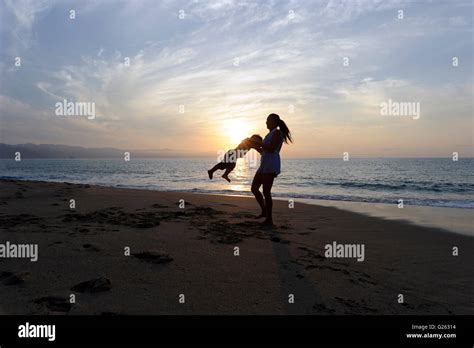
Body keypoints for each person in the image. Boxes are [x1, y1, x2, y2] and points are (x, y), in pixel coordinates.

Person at [248, 113, 292, 226]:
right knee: (254, 188)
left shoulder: (277, 133)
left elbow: (271, 149)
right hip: (264, 163)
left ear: (275, 122)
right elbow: (264, 151)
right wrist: (254, 146)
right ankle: (264, 212)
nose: (266, 122)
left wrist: (257, 142)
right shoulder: (269, 134)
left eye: (268, 120)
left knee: (266, 192)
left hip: (271, 163)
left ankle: (269, 220)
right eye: (266, 120)